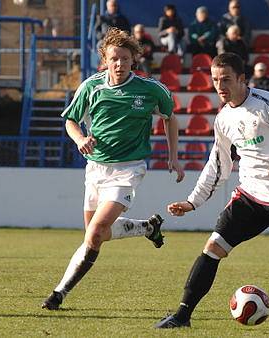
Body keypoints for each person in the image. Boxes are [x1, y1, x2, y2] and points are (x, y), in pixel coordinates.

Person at [154, 52, 269, 329]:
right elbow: (218, 165)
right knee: (213, 247)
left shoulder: (268, 104)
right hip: (250, 198)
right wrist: (193, 202)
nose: (219, 86)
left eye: (226, 79)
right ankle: (182, 316)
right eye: (215, 80)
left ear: (242, 78)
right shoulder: (224, 118)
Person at [41, 28, 185, 311]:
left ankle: (59, 293)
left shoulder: (151, 89)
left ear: (134, 60)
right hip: (95, 168)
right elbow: (70, 120)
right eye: (113, 59)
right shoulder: (91, 87)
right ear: (105, 61)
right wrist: (81, 138)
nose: (119, 64)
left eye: (124, 59)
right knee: (96, 233)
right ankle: (148, 227)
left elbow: (170, 118)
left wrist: (174, 157)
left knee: (94, 234)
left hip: (129, 169)